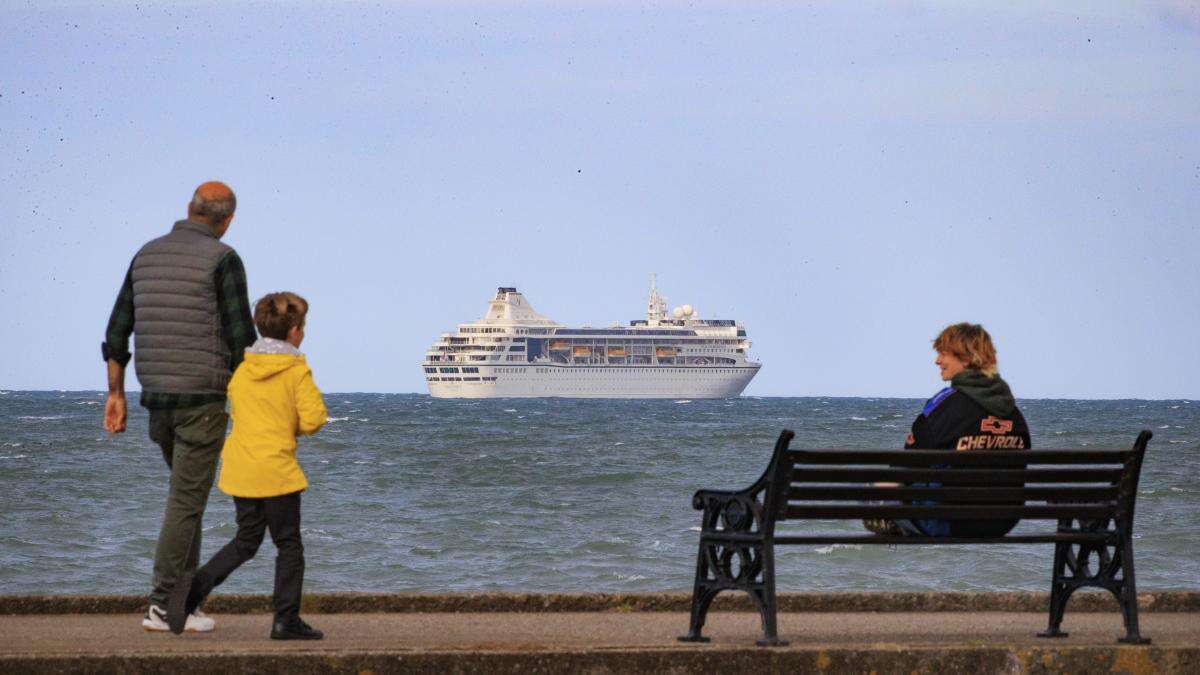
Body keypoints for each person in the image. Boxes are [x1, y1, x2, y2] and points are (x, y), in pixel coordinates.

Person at [102, 182, 254, 633]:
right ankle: (164, 606)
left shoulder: (145, 255)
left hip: (156, 402)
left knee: (188, 503)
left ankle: (184, 604)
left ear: (188, 208)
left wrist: (115, 394)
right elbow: (241, 337)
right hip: (201, 401)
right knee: (185, 503)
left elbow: (116, 331)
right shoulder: (223, 259)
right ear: (226, 221)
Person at [167, 292, 328, 640]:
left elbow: (240, 411)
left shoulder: (242, 370)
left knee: (245, 542)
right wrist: (290, 424)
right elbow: (314, 419)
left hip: (241, 469)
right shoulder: (295, 371)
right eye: (303, 327)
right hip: (276, 472)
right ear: (294, 332)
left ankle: (193, 590)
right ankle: (285, 620)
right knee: (289, 545)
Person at [863, 322, 1031, 538]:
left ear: (967, 358)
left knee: (875, 487)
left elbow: (905, 464)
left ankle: (898, 525)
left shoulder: (945, 406)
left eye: (944, 354)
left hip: (950, 522)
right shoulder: (1014, 413)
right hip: (1002, 523)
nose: (937, 361)